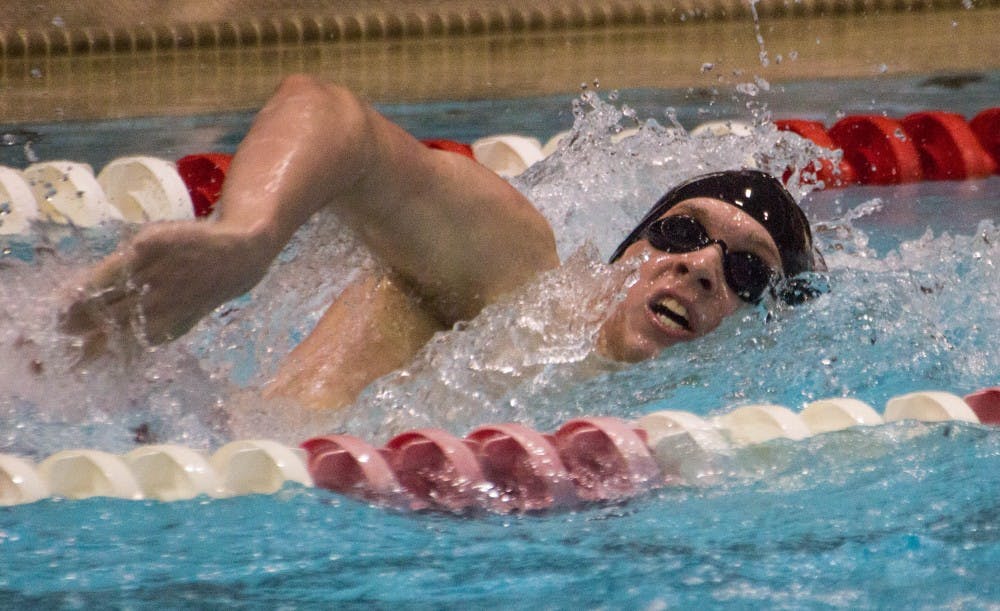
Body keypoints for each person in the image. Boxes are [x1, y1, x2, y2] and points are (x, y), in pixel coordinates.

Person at [61, 75, 818, 410]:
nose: (700, 264)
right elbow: (330, 113)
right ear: (625, 250)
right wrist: (246, 236)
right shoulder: (516, 271)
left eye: (747, 272)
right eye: (680, 232)